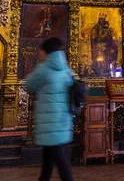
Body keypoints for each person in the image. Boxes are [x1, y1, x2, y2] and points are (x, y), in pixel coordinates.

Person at [25, 38, 74, 181]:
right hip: (63, 119)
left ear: (46, 51)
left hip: (50, 122)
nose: (39, 53)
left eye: (41, 50)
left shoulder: (44, 68)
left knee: (60, 162)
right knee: (48, 160)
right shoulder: (65, 67)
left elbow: (29, 84)